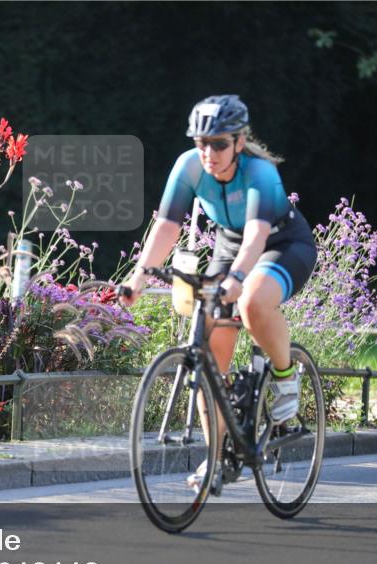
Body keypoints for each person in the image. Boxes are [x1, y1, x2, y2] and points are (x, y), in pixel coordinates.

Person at [119, 94, 317, 490]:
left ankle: (284, 376)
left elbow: (257, 236)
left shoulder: (260, 172)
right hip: (230, 246)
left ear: (239, 142)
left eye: (219, 144)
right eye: (201, 142)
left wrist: (238, 279)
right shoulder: (188, 166)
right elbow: (167, 226)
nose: (208, 153)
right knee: (210, 353)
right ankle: (217, 458)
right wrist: (138, 277)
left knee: (251, 299)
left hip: (283, 243)